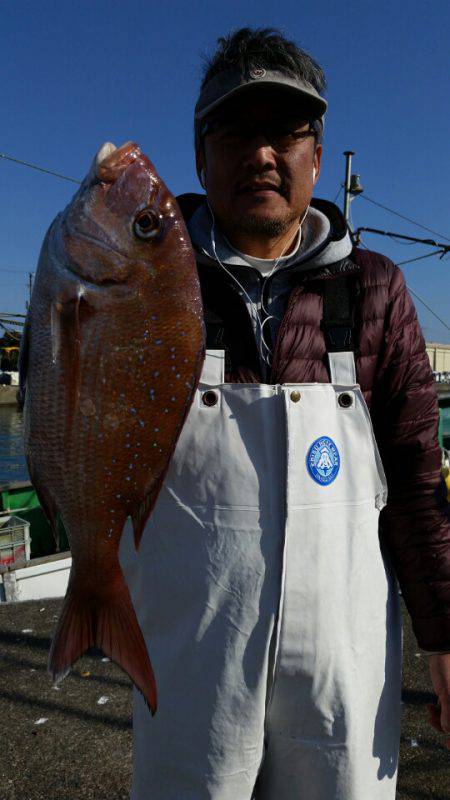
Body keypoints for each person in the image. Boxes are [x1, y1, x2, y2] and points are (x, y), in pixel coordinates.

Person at [119, 27, 450, 800]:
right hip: (184, 662)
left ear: (318, 156)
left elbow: (415, 483)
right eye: (236, 132)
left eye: (285, 131)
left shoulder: (374, 290)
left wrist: (443, 638)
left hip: (345, 669)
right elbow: (85, 435)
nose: (260, 153)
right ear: (200, 156)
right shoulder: (144, 286)